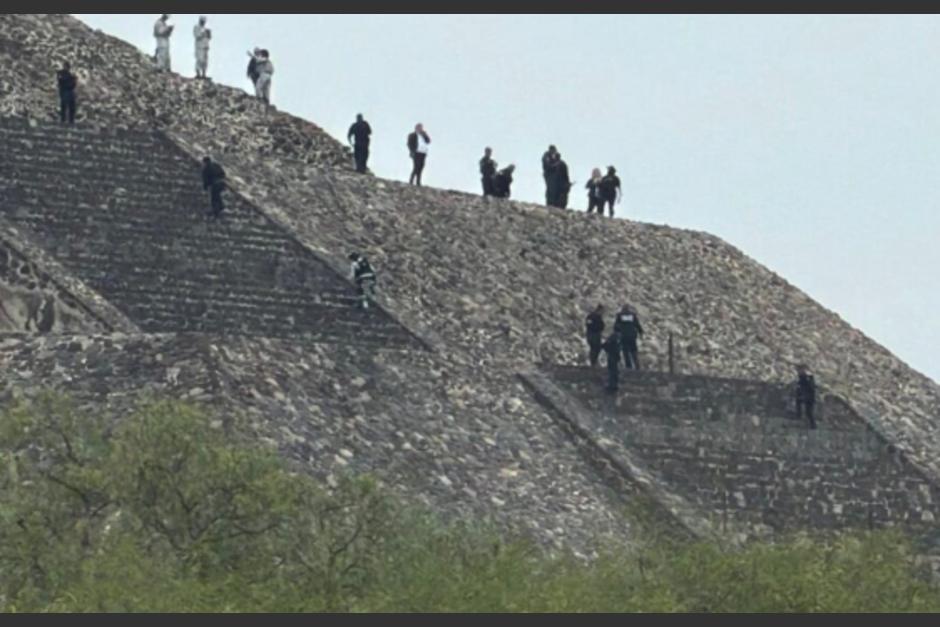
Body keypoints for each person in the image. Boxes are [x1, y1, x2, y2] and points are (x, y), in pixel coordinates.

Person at [614, 304, 644, 370]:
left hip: (624, 335)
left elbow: (616, 326)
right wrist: (641, 332)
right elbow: (637, 324)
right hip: (632, 335)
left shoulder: (620, 315)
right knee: (633, 350)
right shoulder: (632, 315)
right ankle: (637, 365)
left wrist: (617, 333)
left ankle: (628, 366)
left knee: (625, 351)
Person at [795, 364, 817, 429]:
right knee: (802, 408)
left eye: (800, 370)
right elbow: (799, 387)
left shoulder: (808, 378)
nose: (798, 372)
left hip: (809, 397)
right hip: (804, 395)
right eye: (798, 370)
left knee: (809, 412)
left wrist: (805, 395)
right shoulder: (801, 377)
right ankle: (801, 419)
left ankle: (812, 425)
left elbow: (811, 387)